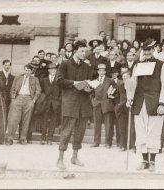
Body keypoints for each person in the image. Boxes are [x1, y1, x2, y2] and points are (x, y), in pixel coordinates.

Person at [128, 38, 164, 172]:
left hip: (154, 103)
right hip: (139, 103)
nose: (147, 52)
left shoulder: (161, 65)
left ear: (154, 50)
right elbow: (133, 83)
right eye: (145, 50)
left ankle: (152, 161)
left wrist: (162, 103)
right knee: (140, 131)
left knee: (153, 131)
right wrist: (130, 97)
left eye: (150, 49)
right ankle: (144, 160)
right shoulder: (137, 65)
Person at [55, 40, 93, 169]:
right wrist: (74, 83)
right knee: (66, 132)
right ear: (75, 51)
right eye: (82, 51)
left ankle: (75, 157)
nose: (84, 53)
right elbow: (59, 81)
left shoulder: (87, 67)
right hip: (70, 103)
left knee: (80, 132)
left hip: (83, 103)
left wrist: (89, 88)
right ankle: (60, 159)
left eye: (86, 51)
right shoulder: (65, 64)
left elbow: (89, 82)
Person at [6, 63, 41, 145]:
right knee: (13, 119)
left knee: (26, 120)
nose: (27, 72)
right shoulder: (18, 78)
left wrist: (33, 101)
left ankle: (23, 138)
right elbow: (13, 89)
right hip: (18, 98)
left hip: (29, 99)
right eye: (26, 70)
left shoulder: (35, 79)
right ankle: (10, 138)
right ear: (24, 70)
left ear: (32, 71)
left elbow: (38, 91)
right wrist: (13, 99)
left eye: (29, 70)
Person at [91, 64, 116, 148]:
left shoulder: (110, 80)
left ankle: (108, 142)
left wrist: (110, 99)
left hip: (107, 104)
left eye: (103, 70)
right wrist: (93, 100)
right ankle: (96, 141)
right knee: (97, 123)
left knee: (108, 124)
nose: (101, 72)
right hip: (97, 104)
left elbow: (114, 91)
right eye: (100, 70)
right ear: (97, 71)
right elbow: (91, 93)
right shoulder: (94, 81)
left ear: (105, 71)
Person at [40, 63, 61, 145]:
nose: (53, 71)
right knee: (44, 120)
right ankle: (43, 138)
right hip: (46, 103)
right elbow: (41, 91)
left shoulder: (59, 80)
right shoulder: (44, 80)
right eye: (51, 69)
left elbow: (61, 92)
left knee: (53, 121)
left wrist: (58, 101)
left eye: (55, 69)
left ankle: (50, 139)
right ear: (48, 70)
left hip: (55, 104)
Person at [114, 70, 130, 151]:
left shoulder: (133, 85)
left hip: (130, 109)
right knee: (122, 127)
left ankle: (131, 145)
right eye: (123, 77)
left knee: (131, 128)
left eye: (126, 77)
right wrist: (118, 105)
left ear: (129, 77)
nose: (124, 78)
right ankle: (123, 144)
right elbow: (117, 96)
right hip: (122, 109)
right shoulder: (120, 85)